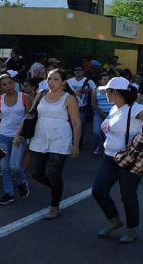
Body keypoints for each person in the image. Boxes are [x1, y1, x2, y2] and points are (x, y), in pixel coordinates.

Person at [92, 77, 143, 243]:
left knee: (127, 196)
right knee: (98, 191)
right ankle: (114, 221)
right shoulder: (114, 108)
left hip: (129, 158)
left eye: (107, 90)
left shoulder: (135, 109)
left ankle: (132, 229)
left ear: (116, 92)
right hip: (109, 157)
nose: (105, 93)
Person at [28, 69, 81, 219]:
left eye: (56, 79)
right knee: (35, 172)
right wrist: (19, 133)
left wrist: (75, 145)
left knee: (54, 172)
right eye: (49, 79)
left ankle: (55, 206)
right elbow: (30, 114)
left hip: (60, 139)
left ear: (63, 82)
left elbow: (76, 123)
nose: (51, 82)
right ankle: (56, 188)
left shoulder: (69, 98)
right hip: (40, 137)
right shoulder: (41, 94)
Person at [0, 74, 32, 205]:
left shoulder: (25, 97)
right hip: (2, 135)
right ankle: (9, 193)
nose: (8, 86)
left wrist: (25, 135)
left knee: (14, 165)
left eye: (9, 83)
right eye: (4, 84)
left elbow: (29, 118)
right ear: (0, 87)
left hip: (19, 136)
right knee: (4, 167)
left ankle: (21, 182)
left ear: (14, 82)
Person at [66, 67, 95, 149]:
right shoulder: (69, 81)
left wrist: (84, 91)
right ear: (74, 71)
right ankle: (71, 142)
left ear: (83, 71)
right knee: (70, 125)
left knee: (80, 126)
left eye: (80, 70)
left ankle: (78, 143)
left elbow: (95, 91)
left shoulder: (89, 81)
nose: (78, 71)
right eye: (76, 70)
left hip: (82, 107)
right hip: (70, 107)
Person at [92, 73, 114, 155]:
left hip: (111, 115)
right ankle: (98, 145)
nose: (106, 81)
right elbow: (93, 104)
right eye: (104, 79)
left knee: (108, 134)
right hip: (98, 114)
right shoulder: (95, 91)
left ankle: (106, 149)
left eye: (108, 79)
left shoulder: (113, 90)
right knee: (96, 132)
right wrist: (101, 113)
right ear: (100, 81)